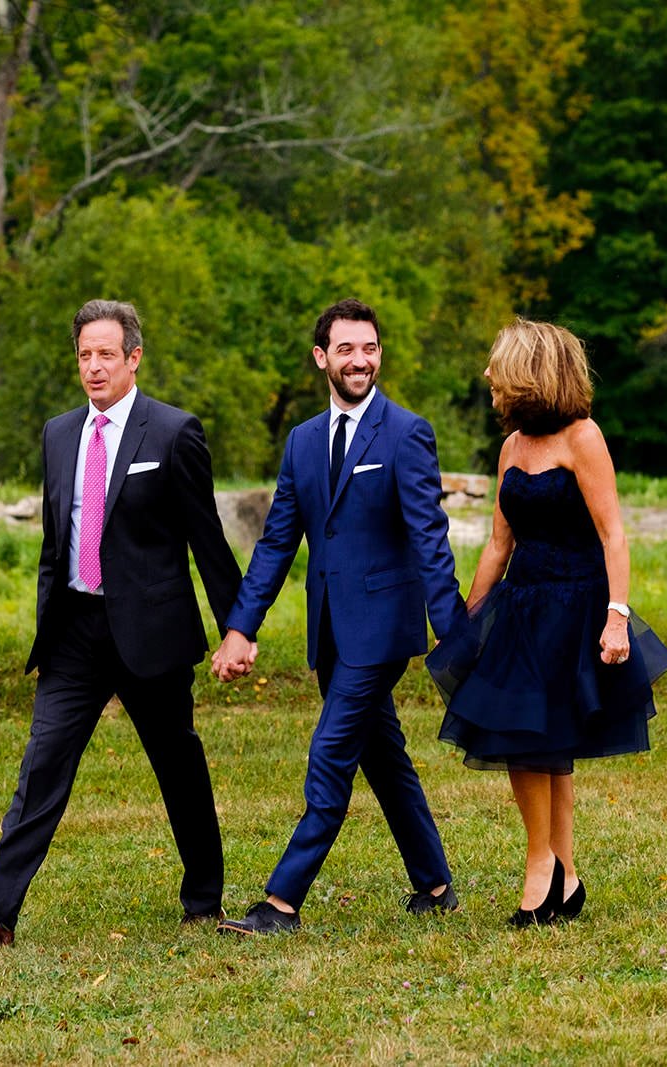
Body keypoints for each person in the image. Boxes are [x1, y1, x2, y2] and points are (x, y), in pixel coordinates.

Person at [0, 299, 246, 947]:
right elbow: (57, 538)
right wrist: (49, 618)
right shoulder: (58, 433)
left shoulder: (174, 431)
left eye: (106, 353)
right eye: (83, 355)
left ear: (133, 357)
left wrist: (238, 627)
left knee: (178, 766)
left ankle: (203, 897)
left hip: (151, 633)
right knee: (41, 767)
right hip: (74, 632)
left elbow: (206, 538)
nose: (93, 366)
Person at [212, 298, 465, 935]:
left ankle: (281, 902)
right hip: (328, 630)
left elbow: (430, 538)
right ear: (322, 357)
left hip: (381, 632)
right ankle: (434, 885)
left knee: (330, 756)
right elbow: (276, 543)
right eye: (346, 349)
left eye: (370, 348)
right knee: (384, 758)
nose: (360, 360)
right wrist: (242, 627)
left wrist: (455, 632)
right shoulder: (301, 442)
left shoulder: (407, 433)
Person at [426, 318, 667, 927]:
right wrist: (469, 614)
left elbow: (614, 535)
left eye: (496, 364)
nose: (488, 374)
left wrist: (617, 620)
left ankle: (542, 867)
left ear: (528, 370)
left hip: (578, 606)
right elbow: (497, 543)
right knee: (536, 742)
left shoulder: (582, 437)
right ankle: (565, 873)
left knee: (531, 742)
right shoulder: (512, 445)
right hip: (522, 607)